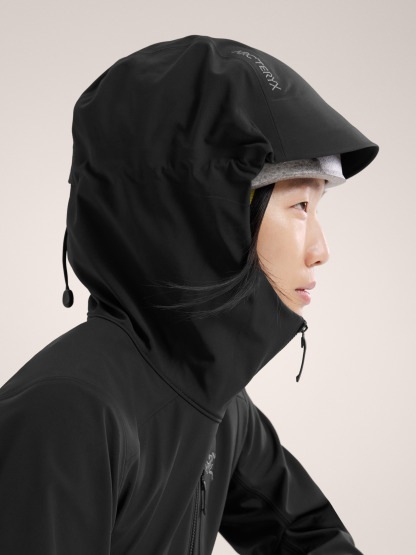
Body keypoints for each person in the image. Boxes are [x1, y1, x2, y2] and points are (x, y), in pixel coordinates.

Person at [0, 35, 378, 554]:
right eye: (299, 207)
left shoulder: (218, 400)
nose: (320, 251)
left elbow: (310, 537)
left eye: (318, 207)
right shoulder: (68, 411)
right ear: (211, 218)